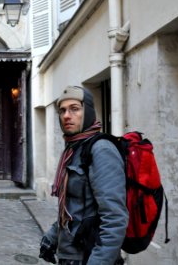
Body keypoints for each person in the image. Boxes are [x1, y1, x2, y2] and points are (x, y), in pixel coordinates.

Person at [39, 86, 129, 265]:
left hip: (88, 256)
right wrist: (52, 236)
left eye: (74, 109)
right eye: (62, 110)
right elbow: (72, 208)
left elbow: (115, 218)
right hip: (70, 255)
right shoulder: (74, 149)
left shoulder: (101, 150)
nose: (66, 115)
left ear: (87, 111)